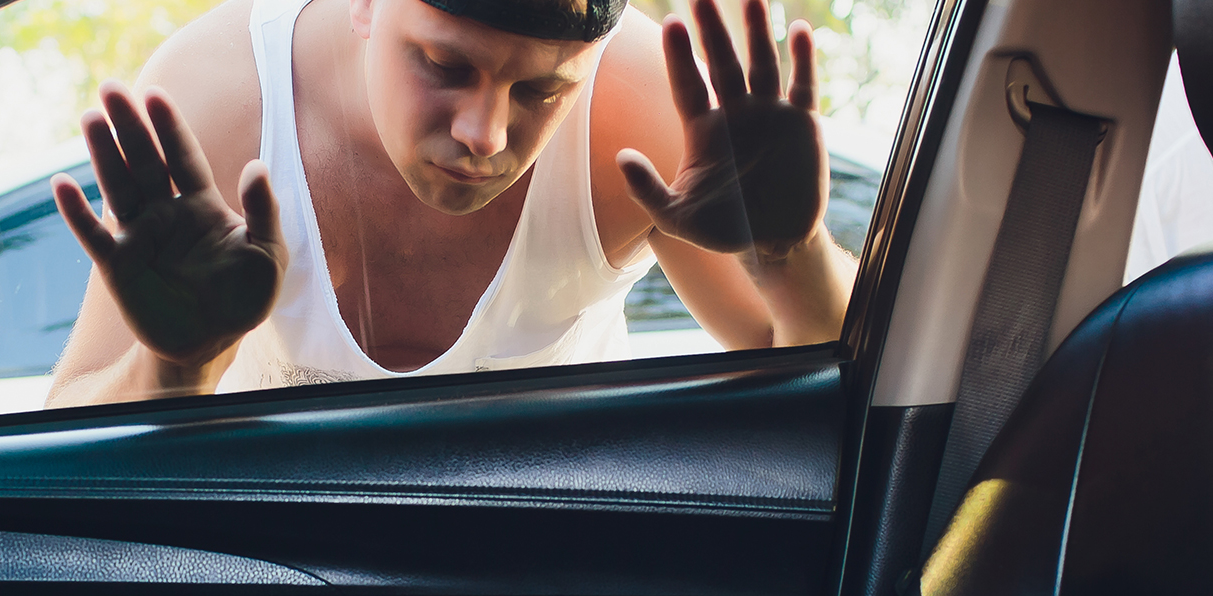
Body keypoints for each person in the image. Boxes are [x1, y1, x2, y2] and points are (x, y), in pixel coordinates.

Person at [42, 0, 857, 406]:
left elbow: (826, 379)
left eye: (541, 89)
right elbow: (65, 433)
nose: (485, 133)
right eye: (442, 64)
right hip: (284, 580)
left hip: (555, 585)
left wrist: (791, 254)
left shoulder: (644, 106)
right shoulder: (218, 100)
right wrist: (175, 366)